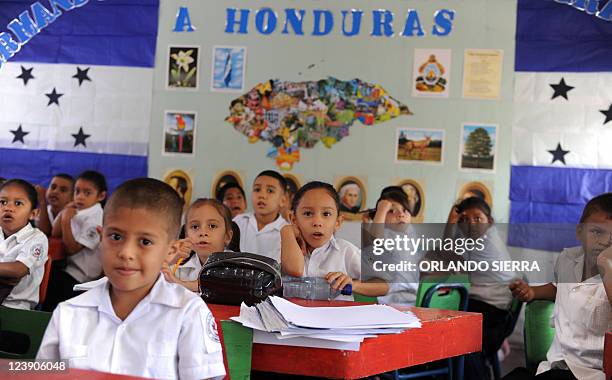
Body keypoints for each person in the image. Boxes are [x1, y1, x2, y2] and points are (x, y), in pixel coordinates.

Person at [36, 178, 226, 380]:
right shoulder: (68, 313)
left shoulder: (188, 313)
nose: (126, 253)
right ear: (101, 238)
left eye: (145, 241)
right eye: (116, 237)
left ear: (170, 251)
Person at [504, 193, 612, 380]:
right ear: (580, 232)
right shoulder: (567, 259)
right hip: (554, 365)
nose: (605, 241)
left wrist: (606, 267)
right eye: (597, 231)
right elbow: (559, 288)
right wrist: (532, 292)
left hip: (592, 373)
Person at [441, 197, 517, 380]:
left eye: (477, 218)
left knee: (456, 340)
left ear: (489, 221)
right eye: (465, 219)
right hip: (485, 308)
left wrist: (451, 223)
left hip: (493, 318)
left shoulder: (484, 242)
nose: (471, 224)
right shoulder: (484, 237)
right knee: (445, 328)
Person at [281, 181, 388, 299]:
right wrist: (287, 231)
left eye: (326, 214)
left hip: (338, 317)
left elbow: (383, 285)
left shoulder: (345, 251)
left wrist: (353, 284)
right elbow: (294, 270)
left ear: (338, 222)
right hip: (294, 317)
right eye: (308, 213)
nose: (317, 222)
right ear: (294, 219)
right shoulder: (285, 248)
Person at [43, 170, 107, 311]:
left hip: (82, 279)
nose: (80, 197)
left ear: (101, 196)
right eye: (77, 191)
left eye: (87, 193)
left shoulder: (97, 217)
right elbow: (55, 232)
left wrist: (66, 219)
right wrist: (65, 211)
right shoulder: (79, 210)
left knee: (45, 277)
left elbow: (72, 250)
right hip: (69, 271)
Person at [163, 199, 238, 292]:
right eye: (195, 227)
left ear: (227, 236)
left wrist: (180, 283)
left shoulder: (237, 265)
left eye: (212, 226)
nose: (202, 233)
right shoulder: (179, 266)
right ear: (187, 236)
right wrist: (167, 260)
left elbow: (217, 284)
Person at [365, 190, 420, 306]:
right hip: (391, 298)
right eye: (391, 211)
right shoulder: (387, 233)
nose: (401, 214)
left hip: (412, 296)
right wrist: (381, 210)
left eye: (405, 210)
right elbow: (375, 239)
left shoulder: (410, 232)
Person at [0, 179, 48, 309]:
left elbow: (18, 270)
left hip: (16, 309)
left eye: (18, 203)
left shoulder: (37, 238)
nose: (8, 208)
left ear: (33, 213)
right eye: (2, 202)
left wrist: (9, 271)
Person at [233, 170, 288, 262]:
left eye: (270, 191)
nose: (262, 195)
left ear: (282, 200)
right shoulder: (238, 222)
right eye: (257, 189)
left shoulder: (286, 231)